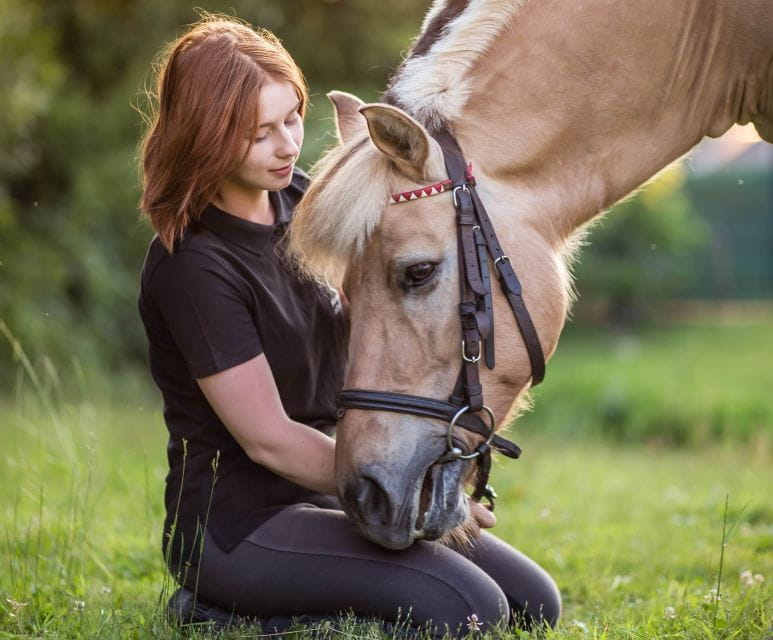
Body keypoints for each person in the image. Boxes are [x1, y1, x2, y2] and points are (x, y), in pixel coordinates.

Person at [137, 13, 560, 638]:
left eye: (291, 118)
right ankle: (216, 614)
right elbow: (270, 440)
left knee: (535, 605)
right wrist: (410, 489)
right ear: (206, 136)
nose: (286, 145)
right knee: (472, 612)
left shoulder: (307, 205)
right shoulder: (194, 265)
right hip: (239, 525)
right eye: (259, 134)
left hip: (336, 490)